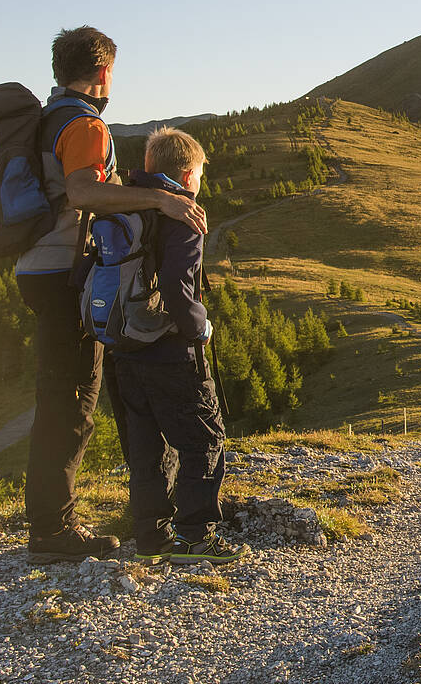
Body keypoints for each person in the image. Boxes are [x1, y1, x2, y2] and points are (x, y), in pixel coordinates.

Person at [16, 26, 207, 564]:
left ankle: (52, 522)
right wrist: (159, 201)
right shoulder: (85, 124)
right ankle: (53, 531)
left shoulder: (46, 119)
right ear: (103, 72)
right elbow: (81, 192)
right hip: (63, 273)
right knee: (71, 400)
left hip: (36, 267)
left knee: (60, 394)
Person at [115, 128, 247, 565]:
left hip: (124, 344)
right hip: (170, 348)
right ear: (189, 173)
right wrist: (199, 328)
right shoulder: (184, 214)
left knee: (147, 445)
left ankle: (151, 538)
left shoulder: (123, 204)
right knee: (203, 438)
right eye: (201, 175)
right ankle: (196, 537)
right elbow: (177, 285)